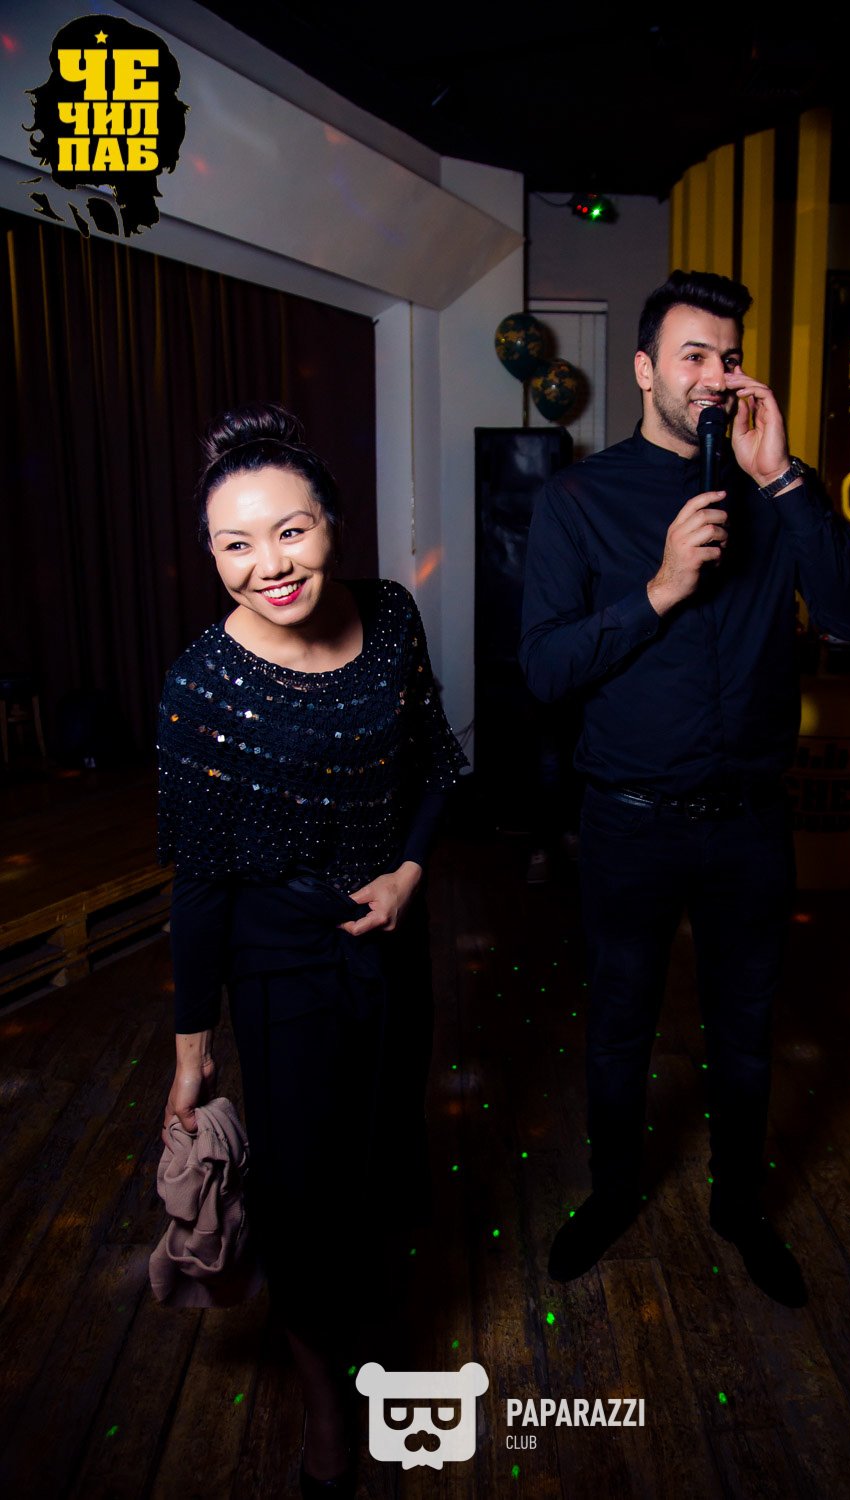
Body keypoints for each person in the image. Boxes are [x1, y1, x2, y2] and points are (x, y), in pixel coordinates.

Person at [519, 270, 850, 1302]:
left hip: (750, 827)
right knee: (619, 1028)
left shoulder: (778, 492)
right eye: (693, 356)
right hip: (629, 823)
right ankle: (610, 1194)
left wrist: (785, 481)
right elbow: (542, 668)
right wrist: (660, 589)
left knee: (746, 1033)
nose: (716, 375)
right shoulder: (577, 499)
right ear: (645, 370)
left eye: (728, 357)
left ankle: (740, 1208)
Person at [158, 402, 466, 1495]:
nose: (269, 565)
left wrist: (409, 872)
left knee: (379, 1150)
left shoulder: (388, 615)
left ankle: (369, 1321)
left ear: (332, 520)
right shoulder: (200, 686)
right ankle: (326, 1408)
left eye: (290, 531)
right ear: (212, 556)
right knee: (299, 1190)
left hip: (391, 938)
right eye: (236, 544)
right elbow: (199, 885)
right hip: (280, 960)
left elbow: (437, 764)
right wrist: (193, 1047)